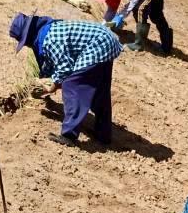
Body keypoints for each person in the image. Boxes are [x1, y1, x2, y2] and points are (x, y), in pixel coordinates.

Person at [8, 13, 122, 148]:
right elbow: (52, 63)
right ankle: (103, 134)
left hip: (98, 45)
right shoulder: (48, 31)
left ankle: (69, 135)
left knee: (71, 85)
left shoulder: (49, 39)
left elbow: (64, 68)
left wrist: (53, 85)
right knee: (100, 92)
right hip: (106, 41)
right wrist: (43, 80)